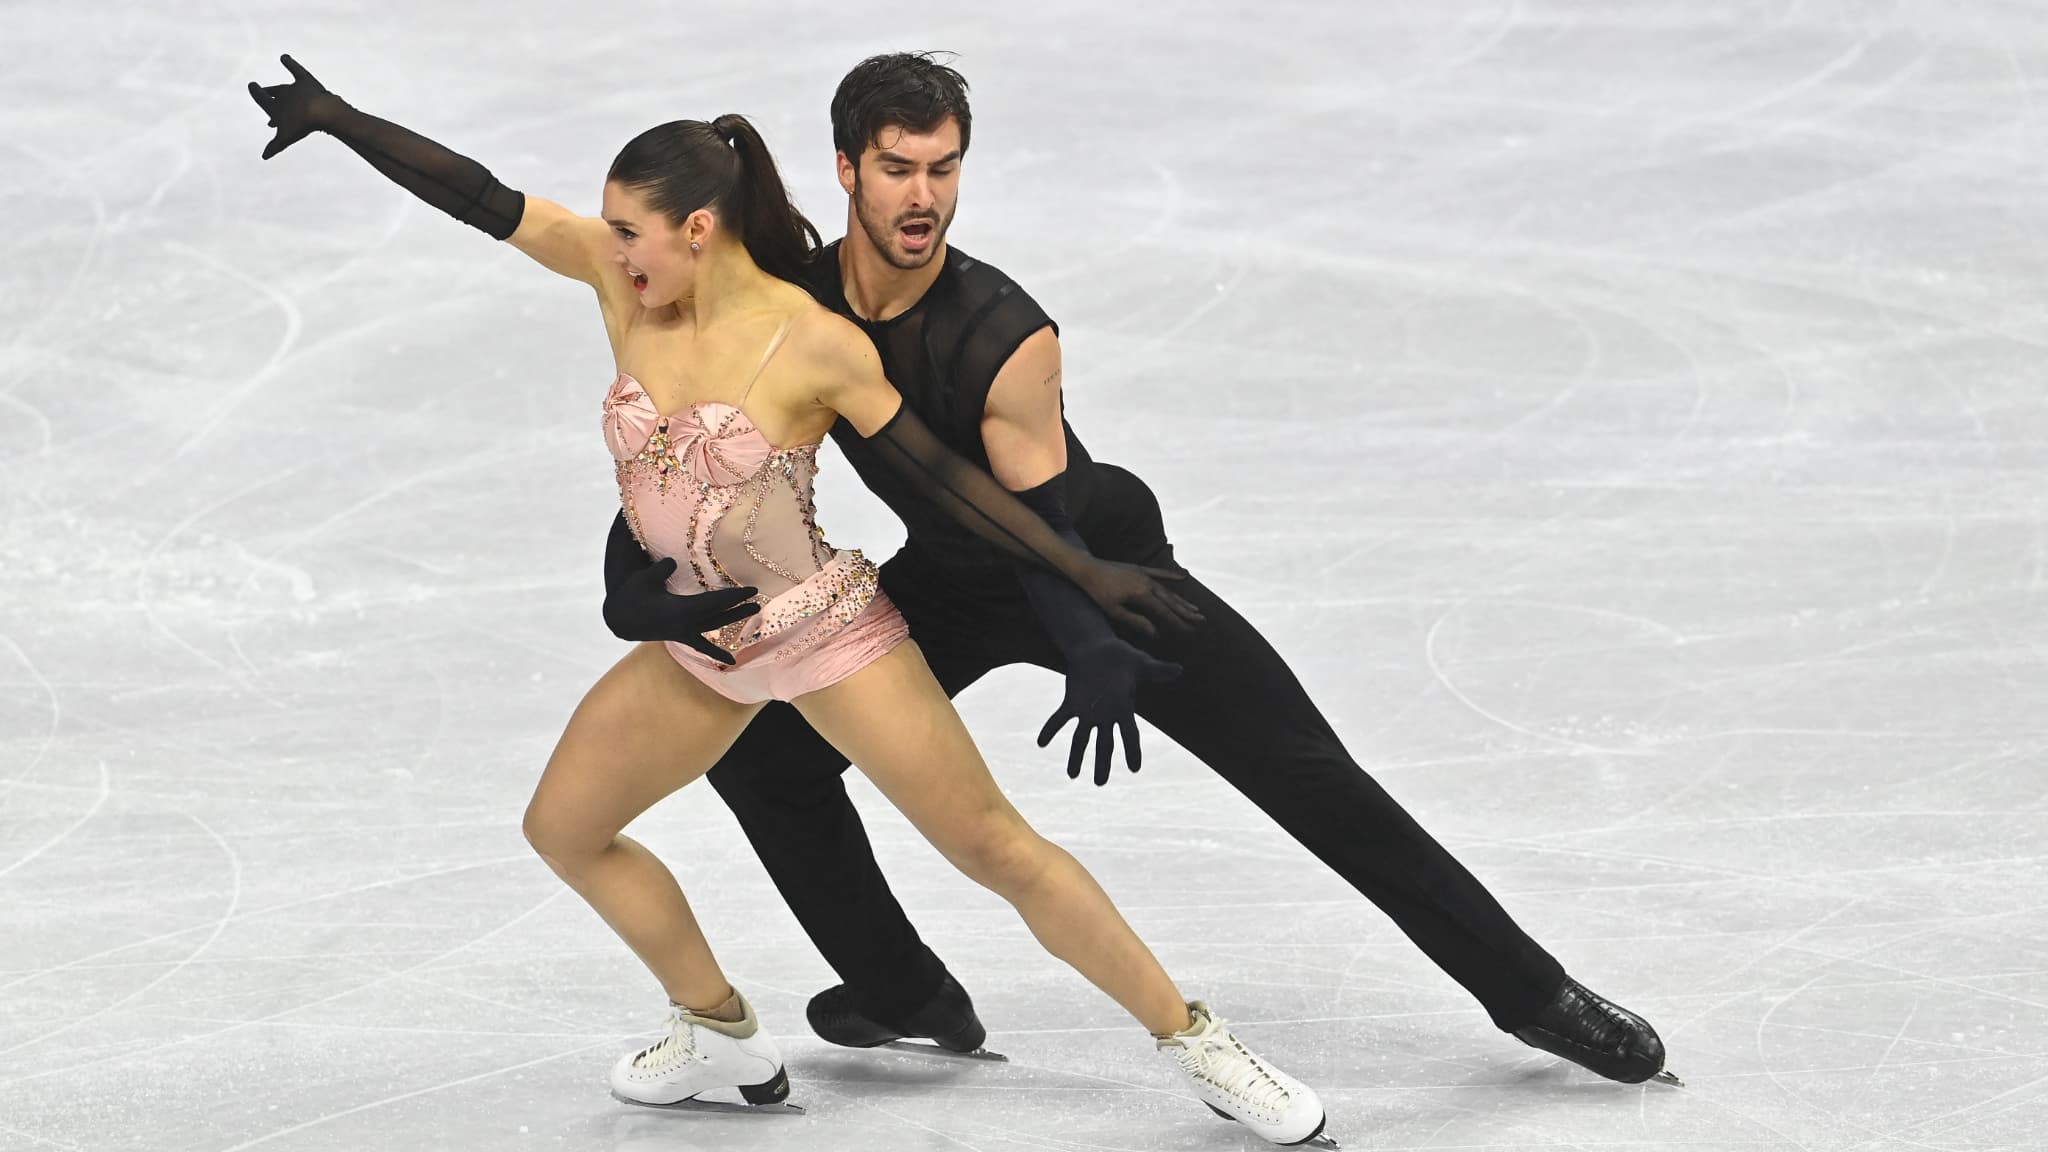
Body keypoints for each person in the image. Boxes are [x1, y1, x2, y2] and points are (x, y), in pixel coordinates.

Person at [245, 54, 1334, 1147]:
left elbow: (947, 481)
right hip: (701, 649)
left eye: (632, 231)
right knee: (565, 827)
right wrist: (343, 120)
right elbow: (479, 195)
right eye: (611, 230)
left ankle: (1200, 1046)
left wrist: (1086, 576)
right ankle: (717, 1026)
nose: (609, 248)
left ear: (700, 229)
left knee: (993, 847)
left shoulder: (812, 342)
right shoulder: (618, 283)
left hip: (821, 632)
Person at [602, 52, 1678, 1089]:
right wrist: (628, 576)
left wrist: (1091, 641)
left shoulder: (1004, 332)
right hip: (954, 578)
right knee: (763, 762)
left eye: (942, 167)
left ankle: (1534, 994)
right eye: (896, 168)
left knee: (1307, 777)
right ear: (847, 171)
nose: (922, 195)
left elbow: (1047, 526)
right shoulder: (797, 303)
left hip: (1098, 568)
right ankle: (903, 988)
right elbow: (692, 438)